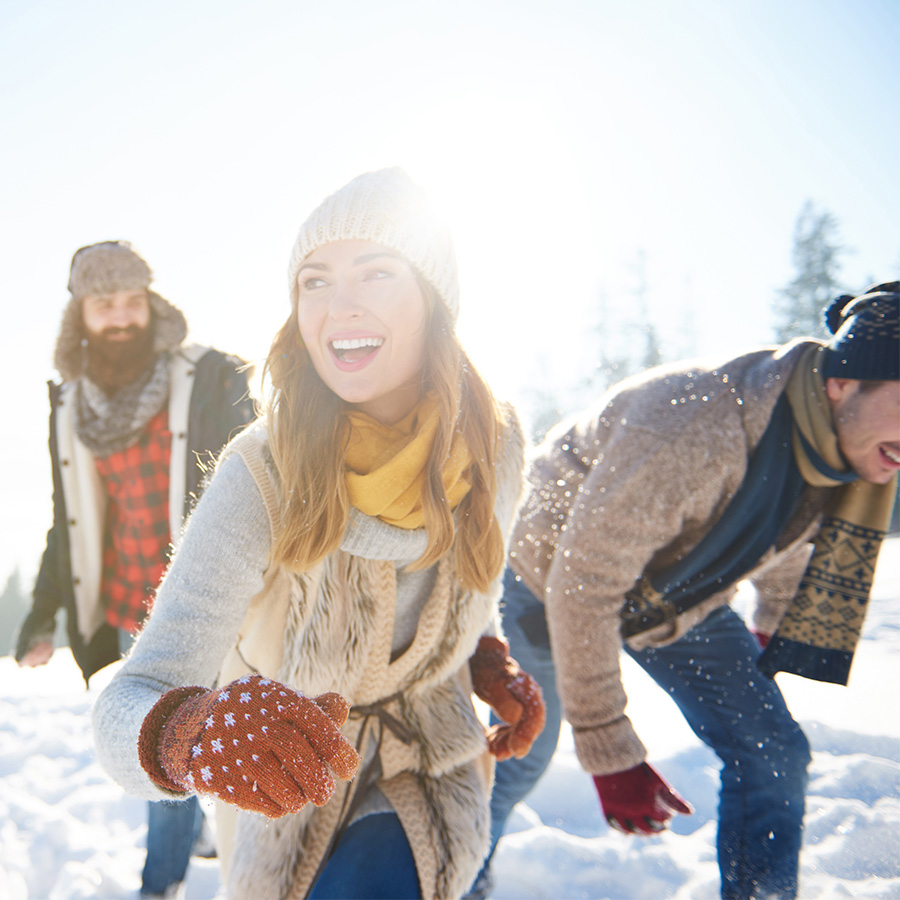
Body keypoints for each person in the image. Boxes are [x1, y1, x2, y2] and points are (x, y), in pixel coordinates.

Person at [91, 167, 546, 900]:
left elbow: (470, 586)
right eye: (315, 281)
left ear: (434, 297)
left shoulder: (495, 447)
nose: (341, 308)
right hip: (287, 785)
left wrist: (479, 655)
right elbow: (128, 698)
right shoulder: (262, 472)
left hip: (430, 762)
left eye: (377, 273)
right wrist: (192, 734)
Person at [483, 282, 899, 900]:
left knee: (773, 751)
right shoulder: (696, 424)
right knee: (521, 759)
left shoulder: (838, 455)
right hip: (548, 579)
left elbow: (782, 533)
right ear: (843, 383)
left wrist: (769, 633)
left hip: (675, 594)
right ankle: (455, 876)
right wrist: (609, 748)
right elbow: (583, 584)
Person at [15, 240, 254, 899]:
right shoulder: (71, 405)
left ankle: (161, 882)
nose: (120, 317)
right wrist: (43, 610)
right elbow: (69, 522)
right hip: (129, 608)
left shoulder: (210, 377)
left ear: (149, 302)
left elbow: (263, 478)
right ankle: (183, 850)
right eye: (103, 304)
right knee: (166, 740)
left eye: (130, 300)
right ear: (80, 316)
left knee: (188, 737)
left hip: (210, 599)